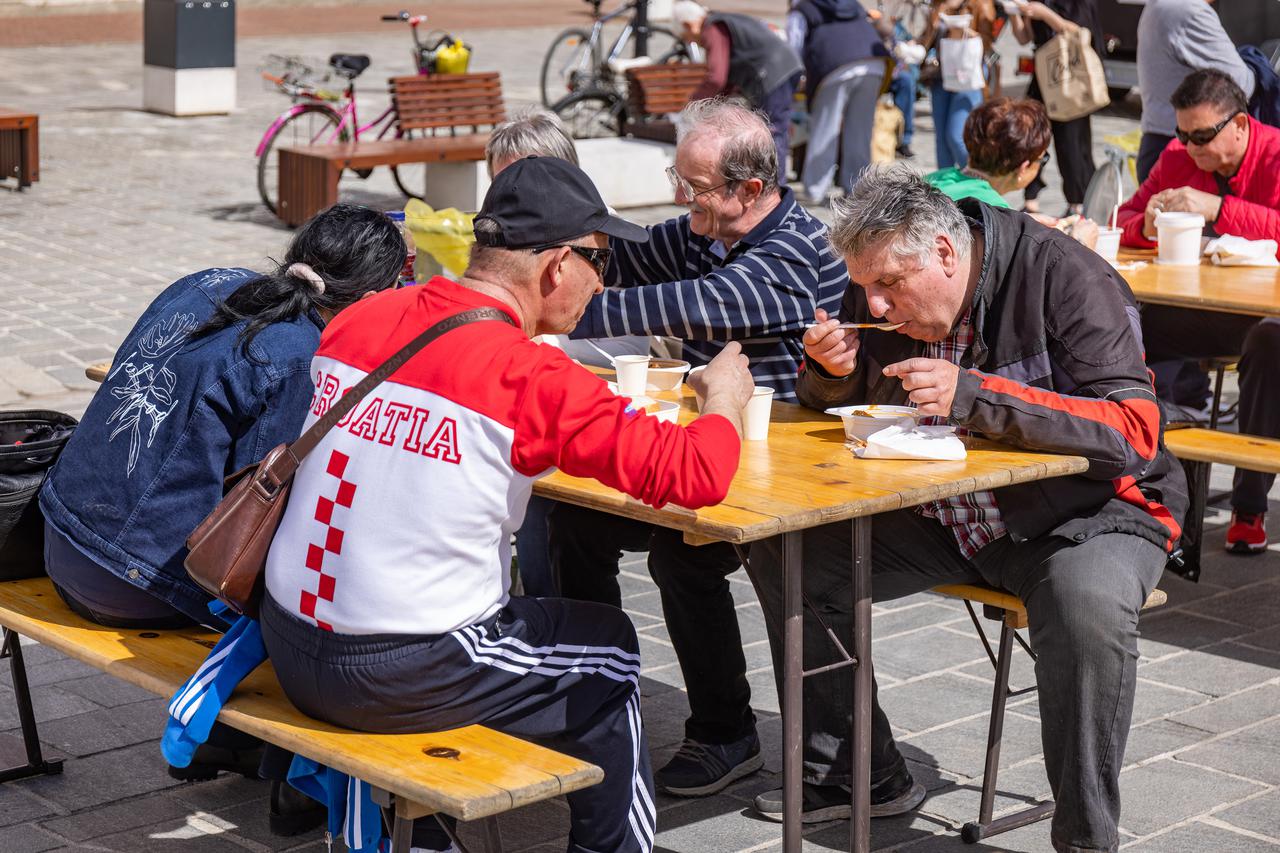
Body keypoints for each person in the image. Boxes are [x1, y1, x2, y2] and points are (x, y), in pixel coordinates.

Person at [258, 155, 756, 853]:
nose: (602, 283)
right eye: (600, 262)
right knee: (609, 651)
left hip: (288, 641)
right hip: (396, 668)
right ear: (557, 267)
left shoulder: (363, 317)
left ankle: (428, 835)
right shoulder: (531, 375)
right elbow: (697, 470)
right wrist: (726, 396)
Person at [744, 165, 1186, 852]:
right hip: (951, 511)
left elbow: (1132, 429)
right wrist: (828, 375)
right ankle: (855, 770)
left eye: (889, 285)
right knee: (787, 547)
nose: (878, 305)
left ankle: (1086, 840)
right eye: (866, 288)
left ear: (946, 254)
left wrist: (975, 395)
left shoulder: (1066, 276)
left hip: (1088, 513)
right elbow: (863, 402)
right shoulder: (885, 270)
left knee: (1084, 607)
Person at [38, 203, 407, 831]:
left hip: (62, 535)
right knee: (313, 580)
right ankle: (294, 780)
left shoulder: (207, 282)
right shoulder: (300, 356)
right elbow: (265, 510)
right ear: (371, 298)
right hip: (128, 580)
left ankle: (227, 745)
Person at [549, 98, 849, 797]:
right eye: (679, 181)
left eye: (696, 188)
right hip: (711, 443)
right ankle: (590, 697)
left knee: (681, 555)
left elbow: (692, 303)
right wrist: (556, 247)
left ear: (751, 189)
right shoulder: (702, 228)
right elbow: (626, 257)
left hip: (793, 465)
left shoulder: (797, 249)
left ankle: (730, 733)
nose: (682, 200)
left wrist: (547, 307)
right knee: (575, 519)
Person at [483, 107, 652, 595]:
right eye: (503, 183)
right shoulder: (500, 233)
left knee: (555, 526)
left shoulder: (601, 238)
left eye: (527, 177)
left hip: (587, 412)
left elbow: (631, 344)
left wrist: (533, 344)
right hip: (531, 406)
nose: (514, 197)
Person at [1116, 69, 1280, 553]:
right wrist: (1144, 224)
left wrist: (1217, 208)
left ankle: (1249, 506)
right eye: (1183, 135)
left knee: (1269, 343)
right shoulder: (1175, 156)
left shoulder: (1275, 153)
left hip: (1267, 317)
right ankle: (1128, 475)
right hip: (1207, 309)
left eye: (1203, 136)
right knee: (1122, 324)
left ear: (1241, 125)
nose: (1191, 148)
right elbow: (1125, 217)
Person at [926, 96, 1100, 246]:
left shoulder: (935, 178)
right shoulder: (994, 215)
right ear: (1023, 168)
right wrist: (1080, 244)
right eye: (1042, 158)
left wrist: (1023, 222)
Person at [671, 1, 804, 182]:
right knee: (772, 129)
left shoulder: (713, 28)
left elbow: (716, 77)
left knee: (772, 131)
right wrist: (714, 105)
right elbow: (727, 79)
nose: (692, 42)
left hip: (773, 72)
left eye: (687, 37)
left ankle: (775, 187)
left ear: (689, 25)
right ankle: (771, 182)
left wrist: (693, 104)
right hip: (783, 67)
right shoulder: (720, 22)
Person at [1136, 0, 1254, 183]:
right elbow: (1241, 84)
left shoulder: (1161, 4)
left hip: (1163, 141)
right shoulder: (1189, 11)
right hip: (1186, 149)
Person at [785, 0, 891, 204]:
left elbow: (793, 46)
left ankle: (815, 190)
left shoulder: (801, 10)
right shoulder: (851, 4)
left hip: (833, 67)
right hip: (873, 64)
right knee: (860, 132)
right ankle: (858, 190)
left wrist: (797, 79)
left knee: (825, 129)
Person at [1006, 0, 1101, 215]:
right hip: (1042, 76)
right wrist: (1013, 12)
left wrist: (1046, 14)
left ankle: (1077, 203)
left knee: (1071, 143)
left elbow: (1080, 31)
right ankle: (1031, 198)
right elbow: (1024, 37)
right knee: (1031, 137)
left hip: (1067, 77)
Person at [921, 0, 997, 169]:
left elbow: (987, 41)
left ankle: (977, 180)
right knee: (941, 137)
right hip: (941, 73)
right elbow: (927, 39)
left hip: (967, 72)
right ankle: (945, 189)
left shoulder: (980, 4)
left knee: (955, 136)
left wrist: (964, 32)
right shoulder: (938, 3)